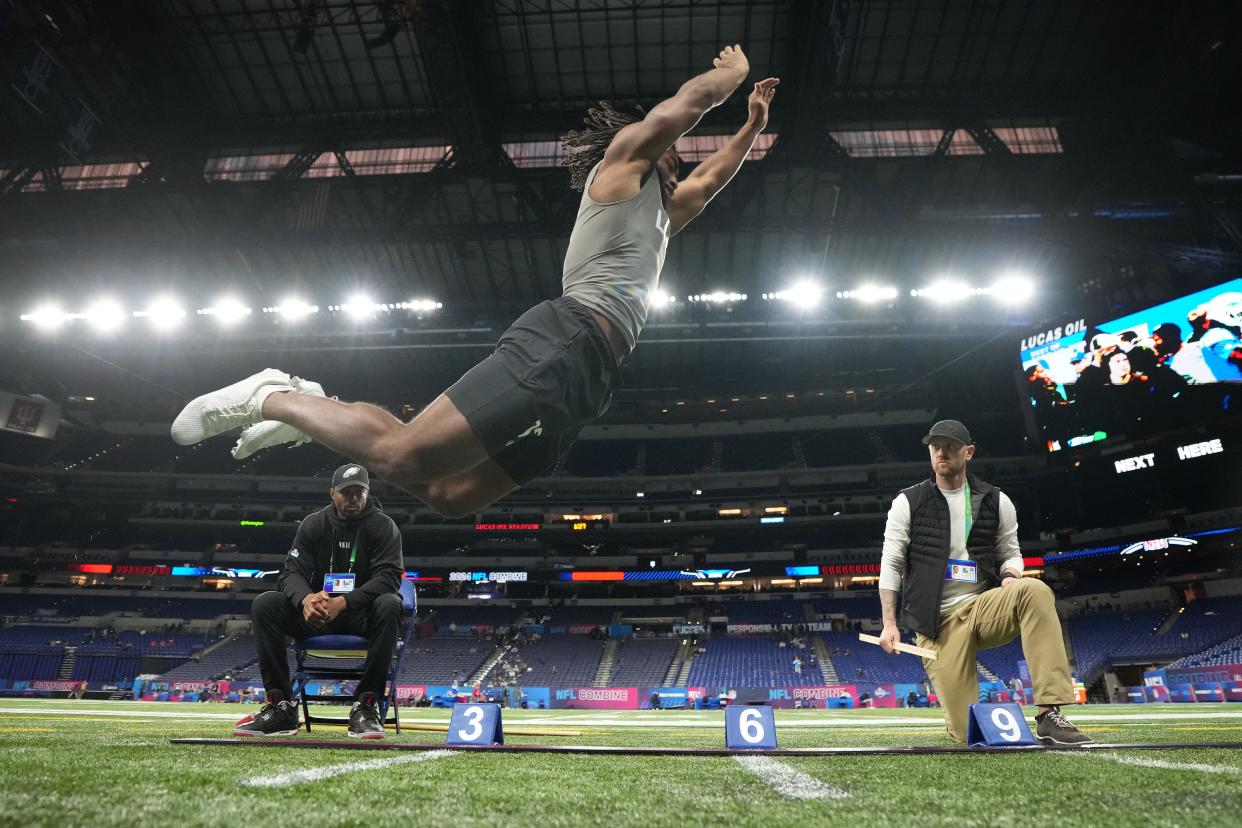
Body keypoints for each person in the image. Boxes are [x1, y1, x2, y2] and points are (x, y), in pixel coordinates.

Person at [170, 46, 780, 518]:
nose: (685, 161)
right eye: (678, 149)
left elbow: (708, 184)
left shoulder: (660, 216)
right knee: (404, 454)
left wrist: (751, 124)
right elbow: (685, 105)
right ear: (661, 147)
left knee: (451, 495)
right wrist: (730, 77)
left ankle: (311, 409)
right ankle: (269, 393)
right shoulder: (621, 166)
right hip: (566, 340)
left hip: (593, 377)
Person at [877, 420, 1091, 746]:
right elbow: (891, 564)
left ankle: (1049, 713)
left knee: (1035, 590)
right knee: (968, 735)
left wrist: (1009, 576)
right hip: (937, 625)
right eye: (936, 446)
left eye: (950, 445)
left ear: (969, 452)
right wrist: (889, 624)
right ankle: (965, 723)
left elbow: (1011, 554)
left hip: (982, 607)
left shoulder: (996, 500)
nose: (942, 452)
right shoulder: (908, 502)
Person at [234, 463, 404, 739]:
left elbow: (389, 577)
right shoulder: (314, 524)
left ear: (367, 493)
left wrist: (344, 602)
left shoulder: (383, 526)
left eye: (359, 492)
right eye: (346, 492)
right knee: (265, 603)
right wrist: (306, 599)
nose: (353, 499)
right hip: (318, 614)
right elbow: (291, 572)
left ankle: (366, 706)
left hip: (360, 615)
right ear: (332, 493)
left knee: (390, 603)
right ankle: (282, 708)